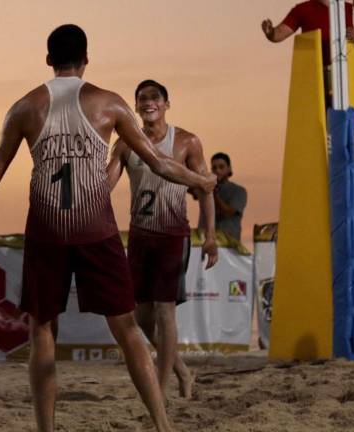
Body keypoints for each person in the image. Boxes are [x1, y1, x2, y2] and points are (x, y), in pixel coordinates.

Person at [0, 24, 215, 432]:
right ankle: (162, 425)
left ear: (49, 60)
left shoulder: (24, 107)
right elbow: (158, 163)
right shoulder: (110, 104)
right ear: (86, 60)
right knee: (127, 328)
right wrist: (201, 181)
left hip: (47, 232)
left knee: (43, 330)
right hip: (96, 231)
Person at [106, 79, 218, 399]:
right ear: (136, 106)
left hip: (172, 235)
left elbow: (206, 189)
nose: (148, 102)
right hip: (140, 236)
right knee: (141, 318)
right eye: (141, 98)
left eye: (155, 97)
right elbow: (104, 185)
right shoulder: (125, 144)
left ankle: (161, 387)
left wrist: (210, 236)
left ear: (167, 104)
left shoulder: (186, 141)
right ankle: (182, 370)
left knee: (165, 312)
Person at [261, 0, 354, 105]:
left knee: (344, 117)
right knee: (319, 117)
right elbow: (278, 34)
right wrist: (270, 33)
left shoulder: (350, 9)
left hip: (346, 80)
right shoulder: (302, 9)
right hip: (314, 81)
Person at [198, 153, 247, 241]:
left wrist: (213, 195)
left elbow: (228, 212)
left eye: (221, 167)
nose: (217, 171)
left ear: (229, 168)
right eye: (214, 168)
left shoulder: (238, 191)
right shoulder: (205, 188)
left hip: (228, 243)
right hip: (205, 241)